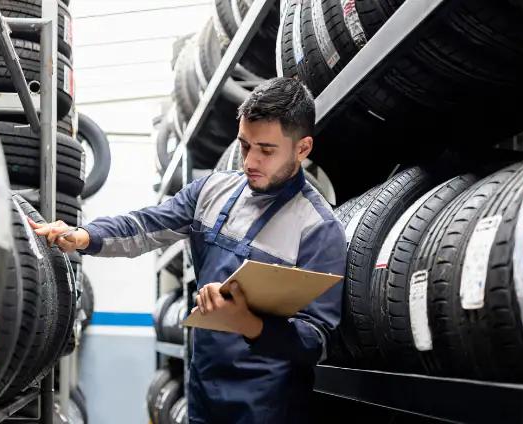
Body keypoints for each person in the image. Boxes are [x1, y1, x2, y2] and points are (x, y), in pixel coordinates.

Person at [27, 77, 345, 423]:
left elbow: (316, 342)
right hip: (203, 392)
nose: (250, 161)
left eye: (266, 150)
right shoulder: (213, 191)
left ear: (302, 148)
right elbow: (147, 225)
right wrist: (84, 236)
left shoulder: (318, 228)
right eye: (244, 145)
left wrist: (250, 324)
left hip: (269, 407)